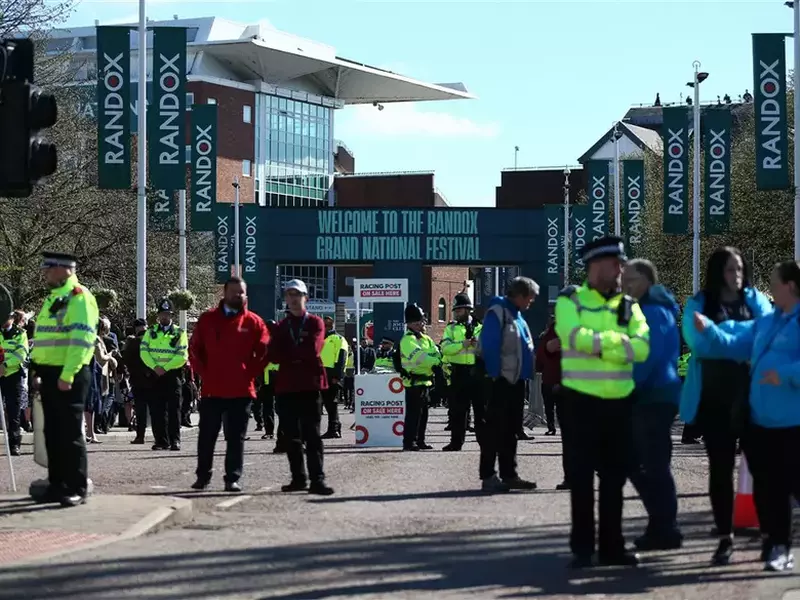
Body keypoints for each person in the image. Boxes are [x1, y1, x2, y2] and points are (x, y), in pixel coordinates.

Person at [691, 259, 800, 572]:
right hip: (762, 420)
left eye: (775, 283)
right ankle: (780, 547)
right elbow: (738, 340)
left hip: (793, 420)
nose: (770, 288)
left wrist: (786, 374)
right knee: (773, 487)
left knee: (793, 482)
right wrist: (709, 330)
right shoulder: (768, 320)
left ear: (790, 286)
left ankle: (780, 545)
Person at [556, 236, 650, 568]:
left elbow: (642, 348)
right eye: (617, 264)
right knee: (581, 480)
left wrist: (598, 343)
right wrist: (618, 342)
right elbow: (571, 337)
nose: (622, 270)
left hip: (619, 406)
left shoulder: (629, 305)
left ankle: (612, 546)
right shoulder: (570, 302)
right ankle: (582, 548)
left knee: (614, 479)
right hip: (580, 404)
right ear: (597, 265)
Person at [679, 246, 772, 565]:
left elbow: (764, 336)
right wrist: (739, 339)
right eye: (731, 269)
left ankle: (770, 535)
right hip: (713, 397)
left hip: (751, 396)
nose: (737, 275)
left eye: (740, 269)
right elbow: (698, 342)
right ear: (718, 271)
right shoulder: (699, 303)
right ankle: (724, 537)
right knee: (720, 469)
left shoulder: (755, 300)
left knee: (761, 466)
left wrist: (719, 333)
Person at [621, 258, 683, 551]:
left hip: (654, 394)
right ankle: (661, 523)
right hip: (653, 393)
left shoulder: (654, 310)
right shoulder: (648, 306)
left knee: (651, 463)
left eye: (630, 279)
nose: (624, 284)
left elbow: (647, 354)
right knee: (643, 462)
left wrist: (627, 385)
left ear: (646, 279)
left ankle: (665, 526)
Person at [29, 251, 99, 507]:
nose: (45, 273)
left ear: (64, 269)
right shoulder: (54, 297)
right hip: (49, 373)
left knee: (70, 433)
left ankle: (77, 487)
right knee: (52, 432)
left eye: (49, 269)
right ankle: (56, 484)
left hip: (69, 373)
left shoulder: (79, 298)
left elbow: (81, 341)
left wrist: (67, 374)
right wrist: (37, 372)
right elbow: (45, 340)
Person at [189, 277, 268, 492]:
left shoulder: (254, 322)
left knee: (235, 438)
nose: (237, 296)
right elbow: (195, 350)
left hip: (241, 391)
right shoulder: (207, 320)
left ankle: (232, 477)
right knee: (206, 437)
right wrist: (205, 374)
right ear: (224, 293)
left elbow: (264, 352)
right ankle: (202, 477)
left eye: (241, 292)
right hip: (213, 390)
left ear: (246, 295)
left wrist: (249, 374)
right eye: (233, 292)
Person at [267, 279, 333, 495]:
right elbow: (274, 354)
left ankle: (317, 480)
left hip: (310, 385)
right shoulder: (282, 326)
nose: (293, 299)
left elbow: (312, 349)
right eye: (290, 295)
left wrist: (289, 354)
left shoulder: (315, 323)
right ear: (285, 298)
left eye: (298, 294)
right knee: (291, 436)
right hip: (287, 386)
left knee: (312, 435)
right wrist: (292, 354)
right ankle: (298, 478)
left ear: (306, 298)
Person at [477, 276, 539, 493]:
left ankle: (509, 474)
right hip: (501, 381)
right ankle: (488, 475)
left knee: (511, 430)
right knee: (494, 430)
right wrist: (495, 375)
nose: (531, 303)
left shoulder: (517, 315)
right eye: (530, 298)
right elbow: (490, 345)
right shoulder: (499, 312)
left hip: (515, 381)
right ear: (520, 295)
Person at [140, 298, 188, 451]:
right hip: (155, 375)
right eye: (162, 314)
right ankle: (161, 441)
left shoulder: (180, 333)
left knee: (174, 410)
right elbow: (143, 352)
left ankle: (175, 440)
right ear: (158, 315)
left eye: (167, 314)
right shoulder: (150, 332)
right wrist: (155, 367)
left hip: (172, 374)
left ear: (171, 315)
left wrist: (165, 367)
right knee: (156, 409)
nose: (164, 317)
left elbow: (182, 356)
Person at [440, 292, 482, 452]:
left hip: (477, 372)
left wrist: (478, 346)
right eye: (455, 311)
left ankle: (484, 442)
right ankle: (456, 443)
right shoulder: (450, 329)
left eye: (459, 310)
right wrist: (463, 344)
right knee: (458, 410)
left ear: (467, 310)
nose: (456, 313)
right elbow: (445, 349)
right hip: (459, 373)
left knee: (480, 411)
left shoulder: (480, 327)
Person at [397, 303, 441, 451]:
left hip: (426, 381)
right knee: (413, 415)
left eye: (422, 321)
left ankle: (420, 440)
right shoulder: (407, 340)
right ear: (410, 324)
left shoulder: (426, 339)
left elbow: (437, 354)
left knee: (423, 415)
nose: (422, 324)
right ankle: (409, 442)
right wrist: (432, 361)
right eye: (418, 322)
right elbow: (421, 357)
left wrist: (432, 360)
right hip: (413, 382)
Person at [536, 315, 570, 490]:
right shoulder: (555, 332)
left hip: (559, 381)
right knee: (571, 432)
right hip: (560, 383)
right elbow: (544, 354)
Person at [0, 311, 30, 456]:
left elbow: (21, 354)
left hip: (13, 376)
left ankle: (14, 444)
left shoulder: (20, 333)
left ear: (12, 319)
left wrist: (5, 366)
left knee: (14, 412)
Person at [123, 318, 155, 444]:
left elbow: (126, 360)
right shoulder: (153, 341)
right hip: (154, 379)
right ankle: (159, 436)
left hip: (138, 380)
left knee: (140, 409)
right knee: (155, 409)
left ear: (136, 328)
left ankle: (140, 436)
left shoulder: (133, 342)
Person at [320, 316, 348, 440]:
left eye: (326, 325)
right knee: (326, 403)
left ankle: (334, 429)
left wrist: (337, 376)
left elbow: (342, 358)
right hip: (321, 374)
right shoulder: (320, 339)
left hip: (332, 375)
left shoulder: (339, 339)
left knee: (331, 403)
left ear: (331, 326)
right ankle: (335, 427)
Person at [536, 316, 559, 437]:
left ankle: (551, 427)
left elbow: (540, 354)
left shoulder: (546, 337)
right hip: (563, 378)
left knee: (549, 405)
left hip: (548, 377)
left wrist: (538, 368)